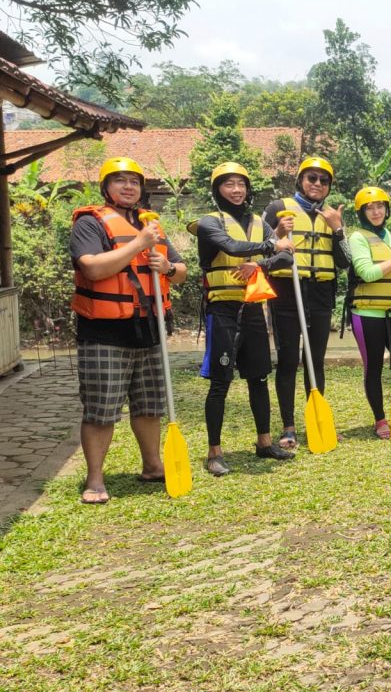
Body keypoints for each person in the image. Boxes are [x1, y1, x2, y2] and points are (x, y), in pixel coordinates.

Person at [70, 157, 187, 503]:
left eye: (134, 181)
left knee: (150, 405)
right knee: (101, 409)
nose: (128, 187)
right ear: (106, 187)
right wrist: (138, 244)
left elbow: (181, 271)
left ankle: (153, 466)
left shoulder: (151, 224)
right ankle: (94, 480)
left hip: (149, 329)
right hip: (104, 332)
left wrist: (166, 267)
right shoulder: (90, 223)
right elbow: (91, 268)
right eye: (120, 180)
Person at [193, 162, 296, 476]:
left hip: (251, 309)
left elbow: (287, 257)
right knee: (220, 383)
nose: (236, 190)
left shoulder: (256, 222)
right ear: (217, 190)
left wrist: (260, 266)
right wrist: (271, 246)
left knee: (259, 377)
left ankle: (264, 441)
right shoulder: (209, 222)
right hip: (222, 310)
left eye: (241, 184)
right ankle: (214, 452)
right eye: (228, 184)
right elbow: (231, 247)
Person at [263, 157, 347, 449]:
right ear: (300, 180)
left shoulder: (331, 214)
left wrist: (338, 230)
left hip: (320, 294)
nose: (318, 184)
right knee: (287, 361)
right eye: (312, 178)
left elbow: (344, 261)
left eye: (324, 181)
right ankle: (288, 426)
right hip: (287, 291)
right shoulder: (277, 208)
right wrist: (278, 235)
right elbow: (261, 254)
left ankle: (317, 419)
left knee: (316, 360)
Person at [346, 186, 391, 439]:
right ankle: (380, 420)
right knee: (374, 367)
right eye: (370, 208)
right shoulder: (357, 237)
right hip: (368, 315)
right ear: (362, 212)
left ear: (387, 209)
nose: (376, 212)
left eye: (380, 207)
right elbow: (367, 273)